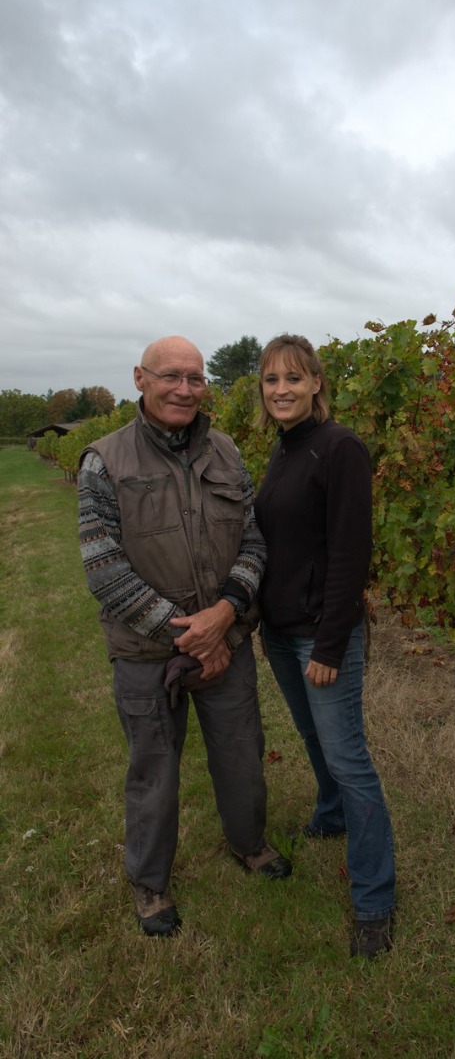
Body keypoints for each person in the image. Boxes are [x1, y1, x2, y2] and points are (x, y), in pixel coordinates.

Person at [78, 335, 291, 938]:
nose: (184, 388)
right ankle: (150, 885)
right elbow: (104, 569)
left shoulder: (225, 453)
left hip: (225, 637)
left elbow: (253, 541)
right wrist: (191, 634)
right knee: (154, 769)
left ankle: (249, 844)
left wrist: (225, 612)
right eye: (171, 376)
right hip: (147, 652)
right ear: (140, 379)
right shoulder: (105, 460)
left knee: (241, 753)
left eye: (195, 378)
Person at [254, 333, 395, 959]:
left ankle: (374, 901)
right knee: (314, 741)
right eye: (270, 380)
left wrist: (330, 646)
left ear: (316, 383)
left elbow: (349, 555)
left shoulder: (340, 448)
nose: (280, 390)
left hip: (320, 634)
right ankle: (330, 816)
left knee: (348, 758)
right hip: (281, 632)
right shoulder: (284, 451)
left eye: (293, 378)